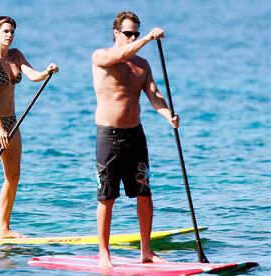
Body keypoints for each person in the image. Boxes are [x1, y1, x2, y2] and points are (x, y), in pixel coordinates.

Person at [91, 11, 179, 269]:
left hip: (135, 135)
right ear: (116, 32)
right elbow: (119, 55)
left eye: (136, 34)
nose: (132, 38)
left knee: (144, 193)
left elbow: (154, 96)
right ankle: (103, 253)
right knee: (107, 197)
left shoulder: (142, 65)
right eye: (128, 33)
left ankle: (146, 251)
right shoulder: (101, 57)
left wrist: (168, 116)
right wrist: (149, 39)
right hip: (109, 136)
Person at [0, 16, 59, 241]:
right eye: (5, 31)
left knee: (13, 175)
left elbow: (32, 74)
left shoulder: (16, 55)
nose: (9, 35)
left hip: (11, 121)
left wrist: (47, 71)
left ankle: (3, 229)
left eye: (12, 32)